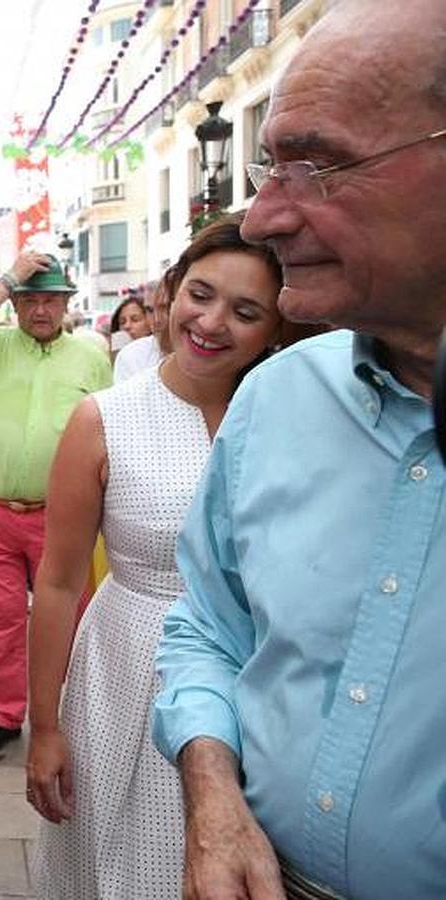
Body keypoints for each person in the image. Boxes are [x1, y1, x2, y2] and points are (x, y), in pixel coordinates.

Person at [153, 3, 446, 898]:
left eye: (314, 164)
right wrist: (212, 795)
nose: (261, 219)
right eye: (266, 165)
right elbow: (207, 624)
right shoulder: (277, 397)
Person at [26, 217, 284, 898]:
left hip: (259, 678)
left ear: (272, 328)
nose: (212, 321)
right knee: (119, 859)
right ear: (170, 292)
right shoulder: (102, 419)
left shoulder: (289, 422)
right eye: (200, 294)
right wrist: (44, 726)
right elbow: (55, 582)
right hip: (123, 667)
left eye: (245, 310)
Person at [0, 251, 113, 757]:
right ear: (14, 304)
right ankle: (4, 714)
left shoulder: (91, 355)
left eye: (51, 300)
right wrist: (10, 276)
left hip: (61, 515)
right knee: (1, 619)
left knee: (69, 615)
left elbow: (111, 431)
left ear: (66, 304)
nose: (41, 310)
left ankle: (67, 710)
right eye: (30, 299)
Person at [113, 282, 171, 384]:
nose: (156, 319)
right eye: (149, 310)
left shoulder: (199, 352)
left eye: (164, 308)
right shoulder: (130, 356)